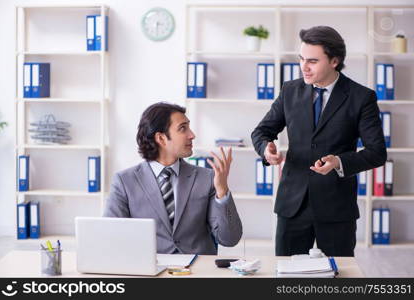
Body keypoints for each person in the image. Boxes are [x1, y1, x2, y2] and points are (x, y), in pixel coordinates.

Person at [251, 26, 387, 257]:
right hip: (292, 205)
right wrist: (266, 150)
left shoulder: (362, 97)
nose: (304, 67)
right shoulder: (290, 90)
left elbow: (376, 152)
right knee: (286, 276)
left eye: (312, 61)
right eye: (301, 59)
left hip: (336, 207)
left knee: (338, 277)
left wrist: (339, 162)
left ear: (334, 61)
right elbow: (261, 131)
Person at [104, 102, 242, 255]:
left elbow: (230, 239)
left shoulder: (207, 178)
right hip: (149, 270)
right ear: (161, 138)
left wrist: (222, 191)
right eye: (183, 128)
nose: (192, 135)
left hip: (197, 271)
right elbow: (111, 237)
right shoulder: (124, 182)